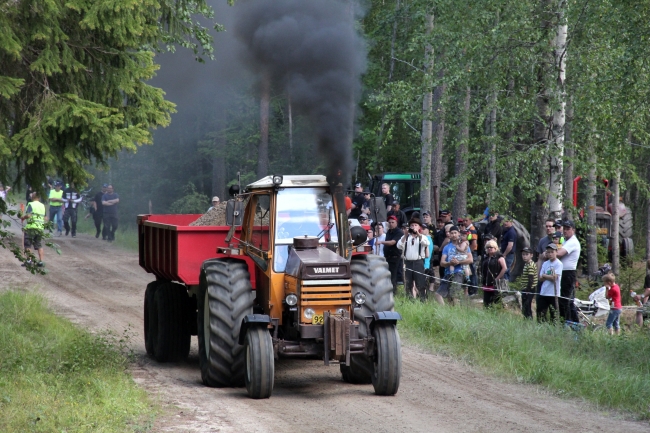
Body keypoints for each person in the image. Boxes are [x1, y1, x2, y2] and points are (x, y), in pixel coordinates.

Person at [435, 225, 473, 306]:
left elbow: (470, 260)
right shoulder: (446, 247)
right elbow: (442, 262)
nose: (453, 235)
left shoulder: (464, 245)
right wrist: (450, 263)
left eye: (455, 233)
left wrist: (458, 262)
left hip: (460, 272)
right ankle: (445, 311)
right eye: (451, 233)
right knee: (438, 294)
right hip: (448, 273)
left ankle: (456, 313)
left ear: (459, 233)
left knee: (455, 295)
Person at [397, 217, 430, 301]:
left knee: (420, 283)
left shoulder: (422, 237)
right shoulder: (406, 237)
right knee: (408, 283)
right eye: (412, 225)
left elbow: (426, 243)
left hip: (418, 262)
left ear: (419, 227)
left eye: (416, 225)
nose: (414, 227)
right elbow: (399, 246)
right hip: (408, 262)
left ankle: (423, 300)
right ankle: (410, 300)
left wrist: (418, 234)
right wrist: (405, 235)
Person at [556, 220, 580, 322]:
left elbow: (559, 253)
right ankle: (570, 323)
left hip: (568, 273)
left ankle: (570, 323)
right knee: (565, 300)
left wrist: (548, 253)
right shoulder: (565, 241)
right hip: (563, 272)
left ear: (573, 230)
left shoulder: (572, 242)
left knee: (566, 300)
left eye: (568, 229)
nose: (565, 231)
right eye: (564, 229)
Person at [377, 216, 403, 293]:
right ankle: (388, 291)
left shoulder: (399, 232)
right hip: (388, 257)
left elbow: (392, 242)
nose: (391, 224)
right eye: (389, 222)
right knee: (387, 275)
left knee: (393, 276)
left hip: (395, 257)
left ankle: (393, 292)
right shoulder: (388, 232)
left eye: (393, 222)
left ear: (396, 223)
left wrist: (381, 242)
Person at [20, 191, 47, 267]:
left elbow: (28, 215)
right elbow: (45, 217)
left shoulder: (30, 204)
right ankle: (41, 261)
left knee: (28, 245)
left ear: (33, 197)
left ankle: (29, 261)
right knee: (39, 245)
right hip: (40, 228)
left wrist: (23, 217)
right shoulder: (42, 206)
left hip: (31, 228)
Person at [537, 243, 563, 322]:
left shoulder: (559, 264)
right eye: (548, 252)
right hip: (544, 292)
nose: (550, 254)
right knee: (540, 313)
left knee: (553, 314)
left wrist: (545, 276)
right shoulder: (545, 263)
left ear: (556, 252)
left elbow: (554, 278)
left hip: (553, 293)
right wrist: (547, 276)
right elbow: (540, 278)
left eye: (552, 252)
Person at [481, 240, 507, 308]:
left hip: (497, 285)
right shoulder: (486, 257)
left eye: (491, 247)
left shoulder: (500, 257)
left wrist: (497, 278)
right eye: (488, 247)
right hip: (487, 284)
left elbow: (504, 268)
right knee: (486, 304)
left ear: (495, 248)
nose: (489, 248)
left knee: (497, 303)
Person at [520, 247, 538, 319]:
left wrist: (528, 289)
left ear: (531, 255)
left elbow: (531, 278)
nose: (524, 256)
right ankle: (526, 318)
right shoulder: (526, 264)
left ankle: (529, 319)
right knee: (525, 305)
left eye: (526, 254)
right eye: (523, 254)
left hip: (529, 289)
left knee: (527, 306)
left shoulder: (530, 265)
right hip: (525, 287)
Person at [634, 260, 650, 327]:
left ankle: (639, 331)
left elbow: (648, 290)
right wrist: (644, 304)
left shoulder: (649, 277)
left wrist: (641, 296)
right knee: (644, 311)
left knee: (640, 312)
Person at [500, 215, 517, 281]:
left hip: (508, 255)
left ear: (511, 222)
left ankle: (505, 288)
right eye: (504, 221)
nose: (505, 223)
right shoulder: (506, 230)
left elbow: (510, 245)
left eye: (507, 221)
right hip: (505, 254)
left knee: (505, 270)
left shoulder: (511, 232)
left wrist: (504, 255)